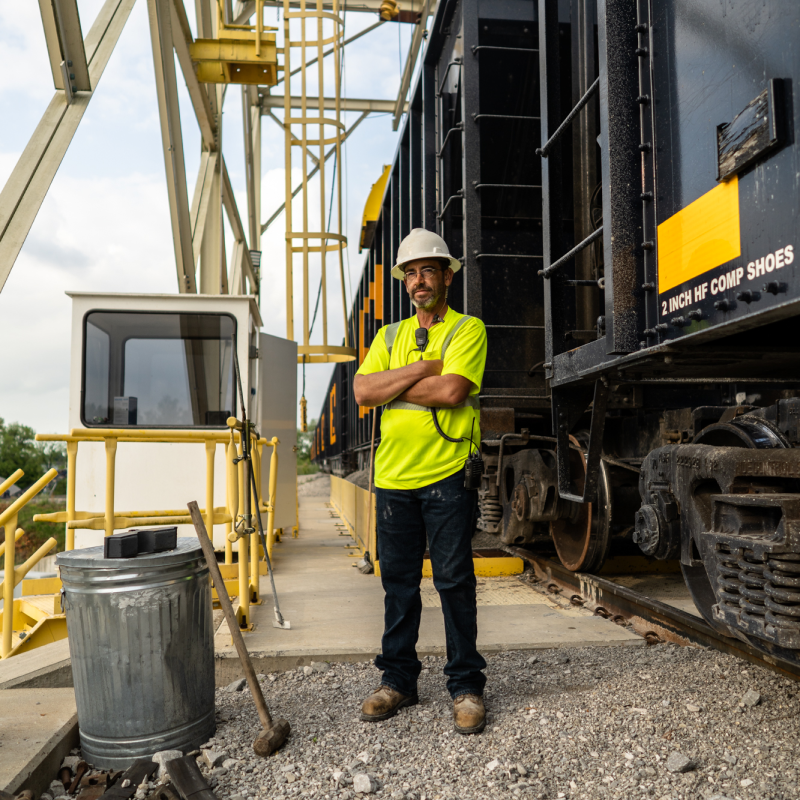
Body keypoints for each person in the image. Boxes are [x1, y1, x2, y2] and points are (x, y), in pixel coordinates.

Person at [352, 228, 488, 734]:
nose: (418, 280)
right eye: (410, 273)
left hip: (448, 473)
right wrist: (423, 368)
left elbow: (452, 391)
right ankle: (398, 681)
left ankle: (466, 686)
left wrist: (399, 382)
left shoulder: (467, 330)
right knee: (399, 585)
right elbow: (364, 391)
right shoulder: (388, 336)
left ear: (447, 275)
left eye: (428, 270)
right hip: (393, 479)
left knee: (454, 582)